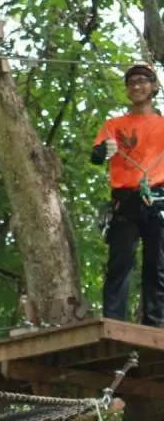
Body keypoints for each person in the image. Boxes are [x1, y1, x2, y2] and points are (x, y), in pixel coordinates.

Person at [91, 63, 164, 325]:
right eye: (132, 82)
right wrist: (102, 152)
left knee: (157, 263)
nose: (137, 86)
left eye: (143, 81)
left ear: (154, 86)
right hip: (124, 198)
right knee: (121, 261)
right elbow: (97, 155)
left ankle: (156, 323)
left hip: (157, 197)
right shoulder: (114, 125)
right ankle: (114, 321)